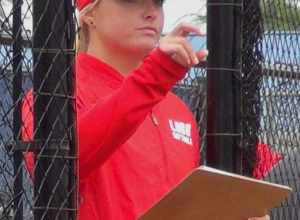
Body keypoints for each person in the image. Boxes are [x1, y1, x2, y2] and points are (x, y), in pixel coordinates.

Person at [21, 0, 270, 219]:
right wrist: (156, 76)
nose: (151, 12)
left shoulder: (177, 108)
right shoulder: (52, 95)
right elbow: (59, 167)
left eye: (158, 2)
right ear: (89, 13)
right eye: (130, 0)